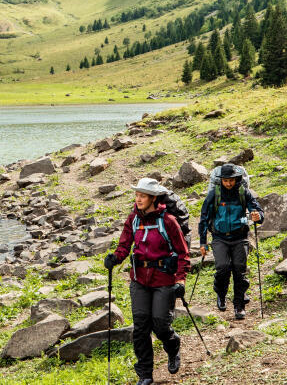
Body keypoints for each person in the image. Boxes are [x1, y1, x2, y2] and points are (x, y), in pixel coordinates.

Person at [104, 178, 190, 385]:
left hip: (163, 279)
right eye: (137, 195)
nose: (138, 199)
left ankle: (172, 346)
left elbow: (182, 253)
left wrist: (180, 280)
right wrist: (115, 258)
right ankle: (145, 374)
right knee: (141, 327)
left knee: (160, 325)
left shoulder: (168, 220)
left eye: (143, 195)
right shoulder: (133, 218)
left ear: (153, 198)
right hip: (139, 279)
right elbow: (124, 245)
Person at [197, 164, 264, 320]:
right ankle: (220, 292)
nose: (228, 183)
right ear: (221, 180)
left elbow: (258, 210)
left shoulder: (243, 192)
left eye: (231, 180)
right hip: (219, 237)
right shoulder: (214, 194)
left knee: (240, 270)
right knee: (222, 267)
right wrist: (202, 242)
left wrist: (257, 216)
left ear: (237, 179)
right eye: (226, 180)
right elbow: (204, 218)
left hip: (240, 237)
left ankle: (239, 306)